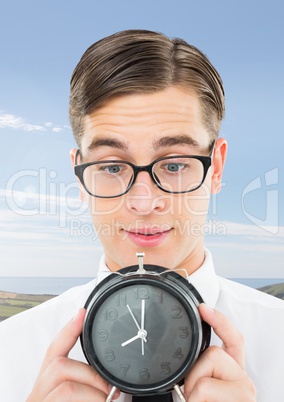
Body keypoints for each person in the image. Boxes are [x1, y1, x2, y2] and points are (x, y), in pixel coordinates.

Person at [0, 29, 283, 402]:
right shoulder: (9, 355)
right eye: (113, 167)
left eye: (175, 164)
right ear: (80, 177)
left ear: (216, 169)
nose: (144, 202)